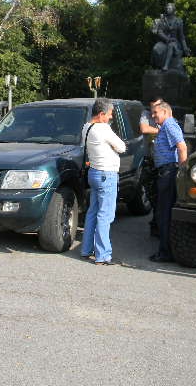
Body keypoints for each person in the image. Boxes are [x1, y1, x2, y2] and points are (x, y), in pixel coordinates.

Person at [80, 98, 126, 265]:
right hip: (107, 175)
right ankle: (103, 255)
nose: (111, 117)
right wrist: (112, 147)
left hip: (94, 173)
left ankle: (86, 249)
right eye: (109, 114)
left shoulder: (86, 127)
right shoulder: (103, 128)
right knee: (105, 215)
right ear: (100, 114)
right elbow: (122, 147)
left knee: (93, 212)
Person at [149, 101, 187, 262]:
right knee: (163, 212)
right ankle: (167, 250)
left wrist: (182, 171)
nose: (153, 115)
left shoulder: (170, 125)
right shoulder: (165, 126)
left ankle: (166, 253)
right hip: (166, 171)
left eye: (155, 112)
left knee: (163, 213)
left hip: (169, 172)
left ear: (165, 112)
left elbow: (182, 147)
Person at [139, 97, 163, 237]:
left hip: (163, 162)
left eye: (156, 107)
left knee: (161, 195)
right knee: (151, 193)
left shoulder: (167, 117)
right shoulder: (146, 114)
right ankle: (156, 222)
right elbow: (144, 128)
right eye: (152, 107)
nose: (153, 111)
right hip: (150, 160)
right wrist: (160, 131)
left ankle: (158, 224)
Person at [151, 2, 191, 73]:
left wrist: (185, 48)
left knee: (171, 45)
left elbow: (181, 36)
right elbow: (160, 32)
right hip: (164, 41)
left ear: (173, 10)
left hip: (175, 42)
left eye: (169, 8)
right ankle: (156, 66)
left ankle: (166, 66)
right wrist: (167, 39)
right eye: (167, 8)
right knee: (156, 48)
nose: (167, 9)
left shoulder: (178, 21)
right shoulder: (162, 20)